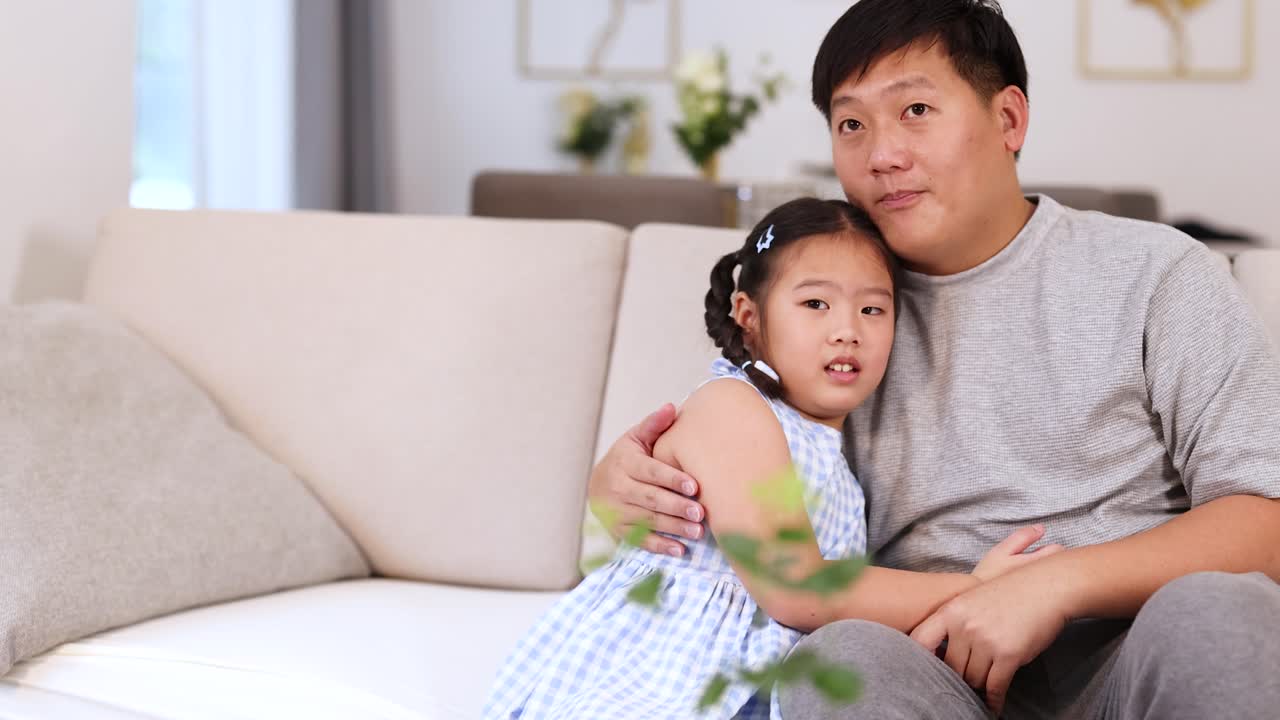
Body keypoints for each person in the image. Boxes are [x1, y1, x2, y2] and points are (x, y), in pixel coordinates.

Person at [588, 2, 1280, 718]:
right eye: (851, 123)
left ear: (1009, 120)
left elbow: (1267, 518)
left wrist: (1052, 585)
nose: (881, 154)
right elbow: (738, 454)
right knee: (838, 661)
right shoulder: (835, 307)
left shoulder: (1155, 272)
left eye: (915, 109)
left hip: (1132, 662)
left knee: (1218, 613)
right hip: (931, 672)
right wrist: (621, 488)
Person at [484, 198, 1061, 719]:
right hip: (665, 680)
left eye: (872, 310)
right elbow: (800, 590)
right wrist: (973, 586)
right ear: (749, 316)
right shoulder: (732, 407)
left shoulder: (832, 452)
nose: (846, 331)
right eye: (815, 303)